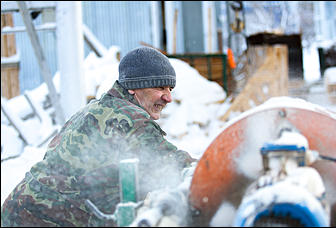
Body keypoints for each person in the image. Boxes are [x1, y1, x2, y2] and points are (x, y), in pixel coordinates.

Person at [1, 46, 196, 227]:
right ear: (133, 87)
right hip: (45, 219)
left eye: (170, 89)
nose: (168, 98)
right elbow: (173, 163)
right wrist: (208, 171)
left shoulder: (99, 108)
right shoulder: (129, 120)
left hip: (20, 210)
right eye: (160, 88)